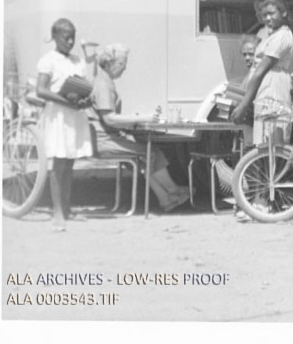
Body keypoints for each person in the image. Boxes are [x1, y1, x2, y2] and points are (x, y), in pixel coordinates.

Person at [88, 44, 191, 212]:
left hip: (105, 137)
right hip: (104, 140)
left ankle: (166, 198)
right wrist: (142, 118)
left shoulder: (104, 81)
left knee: (147, 156)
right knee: (150, 153)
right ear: (110, 63)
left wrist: (134, 118)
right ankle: (172, 191)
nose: (125, 68)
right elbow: (110, 119)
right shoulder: (103, 84)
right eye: (122, 63)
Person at [36, 19, 93, 231]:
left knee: (69, 164)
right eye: (65, 37)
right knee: (58, 165)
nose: (70, 42)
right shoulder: (48, 60)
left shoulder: (78, 61)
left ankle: (67, 208)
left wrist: (84, 100)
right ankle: (57, 212)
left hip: (74, 116)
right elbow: (41, 90)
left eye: (73, 38)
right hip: (58, 116)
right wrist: (65, 100)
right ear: (55, 37)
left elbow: (82, 87)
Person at [231, 0, 293, 146]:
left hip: (273, 90)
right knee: (263, 144)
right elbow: (254, 71)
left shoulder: (283, 36)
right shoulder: (269, 36)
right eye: (265, 15)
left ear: (283, 13)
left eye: (272, 13)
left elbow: (260, 72)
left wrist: (244, 105)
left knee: (273, 143)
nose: (268, 18)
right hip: (263, 93)